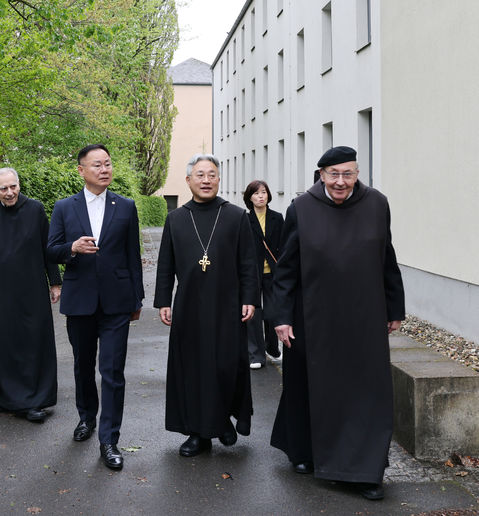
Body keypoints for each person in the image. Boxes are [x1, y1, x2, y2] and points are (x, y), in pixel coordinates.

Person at [269, 146, 405, 501]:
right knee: (317, 388)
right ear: (321, 174)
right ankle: (307, 452)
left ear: (357, 173)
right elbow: (285, 270)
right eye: (334, 174)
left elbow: (386, 257)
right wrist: (281, 318)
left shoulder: (377, 204)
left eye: (348, 174)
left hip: (366, 316)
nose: (341, 181)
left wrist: (395, 307)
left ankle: (366, 471)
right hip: (315, 316)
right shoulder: (301, 209)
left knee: (368, 393)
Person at [154, 153, 259, 457]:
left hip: (227, 305)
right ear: (188, 180)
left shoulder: (237, 216)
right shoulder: (176, 218)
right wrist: (163, 300)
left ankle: (223, 420)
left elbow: (248, 263)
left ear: (219, 179)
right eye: (200, 175)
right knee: (193, 371)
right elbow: (166, 264)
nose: (206, 180)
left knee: (225, 365)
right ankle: (198, 434)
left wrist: (250, 298)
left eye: (211, 174)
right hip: (189, 306)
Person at [47, 144, 144, 471]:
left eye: (108, 164)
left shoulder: (126, 206)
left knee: (113, 371)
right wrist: (71, 248)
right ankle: (86, 417)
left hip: (117, 301)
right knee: (83, 365)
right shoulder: (64, 207)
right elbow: (50, 250)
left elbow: (133, 255)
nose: (104, 170)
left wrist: (137, 298)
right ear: (81, 170)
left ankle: (109, 440)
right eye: (97, 165)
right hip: (80, 300)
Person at [0, 168, 62, 423]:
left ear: (19, 185)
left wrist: (55, 282)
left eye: (13, 187)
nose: (10, 193)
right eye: (4, 189)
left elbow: (47, 247)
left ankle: (34, 400)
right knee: (2, 342)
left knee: (33, 342)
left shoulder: (35, 209)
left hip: (32, 288)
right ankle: (5, 396)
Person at [243, 180, 284, 369]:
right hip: (252, 274)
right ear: (249, 197)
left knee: (272, 313)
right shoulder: (244, 219)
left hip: (273, 273)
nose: (261, 196)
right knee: (253, 315)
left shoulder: (277, 218)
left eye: (264, 192)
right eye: (256, 193)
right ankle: (255, 355)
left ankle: (271, 346)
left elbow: (284, 245)